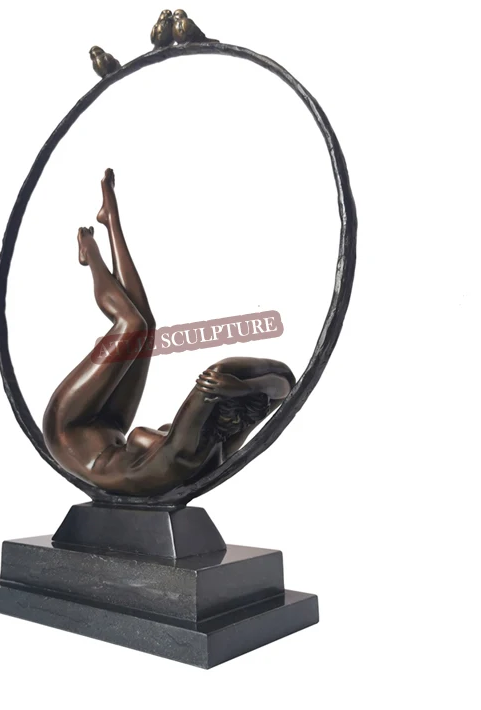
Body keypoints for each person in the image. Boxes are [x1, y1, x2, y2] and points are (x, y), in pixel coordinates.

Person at [43, 169, 295, 495]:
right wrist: (249, 388)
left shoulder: (182, 455)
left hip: (70, 431)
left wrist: (236, 388)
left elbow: (211, 384)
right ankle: (111, 220)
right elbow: (286, 385)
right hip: (112, 430)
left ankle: (91, 254)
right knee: (146, 327)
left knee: (131, 326)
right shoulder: (221, 448)